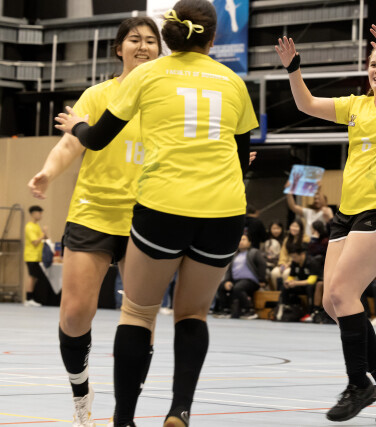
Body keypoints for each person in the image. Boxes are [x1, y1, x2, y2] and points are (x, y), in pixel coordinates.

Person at [55, 2, 259, 425]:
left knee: (138, 312)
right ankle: (179, 409)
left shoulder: (147, 75)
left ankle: (124, 419)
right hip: (224, 211)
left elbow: (96, 138)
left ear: (168, 36)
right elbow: (242, 161)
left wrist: (76, 127)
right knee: (193, 314)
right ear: (212, 38)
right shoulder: (234, 81)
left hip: (165, 205)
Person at [275, 22, 376, 423]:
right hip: (347, 213)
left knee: (344, 294)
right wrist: (293, 69)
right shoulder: (356, 106)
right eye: (373, 63)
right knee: (333, 302)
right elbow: (307, 104)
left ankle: (359, 384)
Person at [29, 17, 161, 425]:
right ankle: (81, 390)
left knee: (141, 320)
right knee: (74, 315)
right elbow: (70, 142)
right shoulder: (98, 94)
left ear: (161, 50)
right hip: (95, 211)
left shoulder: (166, 99)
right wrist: (48, 172)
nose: (143, 46)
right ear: (119, 49)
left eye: (151, 41)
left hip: (150, 214)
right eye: (134, 40)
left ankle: (126, 411)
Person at [215, 234, 266, 319]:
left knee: (238, 288)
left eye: (243, 239)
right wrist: (227, 281)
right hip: (236, 281)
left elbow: (262, 265)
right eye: (239, 240)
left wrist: (262, 280)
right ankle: (226, 310)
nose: (241, 242)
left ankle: (249, 310)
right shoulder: (234, 255)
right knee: (221, 286)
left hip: (250, 281)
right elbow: (229, 270)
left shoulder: (254, 252)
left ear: (249, 242)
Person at [276, 242, 322, 321]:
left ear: (302, 254)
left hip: (313, 286)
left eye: (294, 257)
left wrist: (296, 283)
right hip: (301, 285)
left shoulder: (312, 261)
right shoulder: (294, 263)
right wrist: (288, 282)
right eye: (292, 257)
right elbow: (291, 276)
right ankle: (285, 308)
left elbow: (312, 281)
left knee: (310, 287)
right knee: (285, 287)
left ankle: (310, 313)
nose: (293, 259)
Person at [270, 218, 308, 289]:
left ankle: (287, 292)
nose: (294, 228)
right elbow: (283, 253)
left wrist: (289, 264)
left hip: (296, 265)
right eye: (292, 226)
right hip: (285, 264)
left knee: (286, 273)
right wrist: (282, 263)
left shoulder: (305, 239)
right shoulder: (287, 239)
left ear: (301, 228)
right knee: (274, 273)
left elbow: (303, 256)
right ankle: (277, 293)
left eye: (296, 226)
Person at [23, 205, 47, 307]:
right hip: (31, 256)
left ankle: (32, 297)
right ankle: (28, 298)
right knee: (32, 277)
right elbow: (35, 242)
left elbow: (43, 238)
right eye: (39, 213)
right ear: (33, 213)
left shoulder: (37, 226)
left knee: (35, 277)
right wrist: (43, 234)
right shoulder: (29, 226)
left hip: (37, 256)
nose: (41, 215)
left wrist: (44, 235)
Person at [261, 221, 284, 289]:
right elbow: (263, 254)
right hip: (268, 263)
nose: (276, 231)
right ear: (270, 229)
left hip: (281, 263)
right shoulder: (267, 241)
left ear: (282, 229)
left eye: (278, 228)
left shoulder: (285, 240)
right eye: (274, 228)